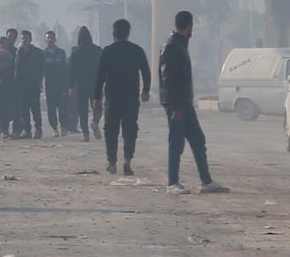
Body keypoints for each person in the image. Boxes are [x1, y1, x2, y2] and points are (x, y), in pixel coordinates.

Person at [159, 10, 227, 194]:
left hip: (186, 103)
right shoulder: (172, 47)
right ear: (189, 26)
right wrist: (175, 107)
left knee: (198, 140)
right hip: (177, 105)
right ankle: (172, 182)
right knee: (176, 143)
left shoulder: (180, 45)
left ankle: (206, 181)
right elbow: (168, 79)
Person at [94, 17, 151, 176]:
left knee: (111, 130)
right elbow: (146, 71)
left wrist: (96, 97)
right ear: (128, 33)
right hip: (131, 97)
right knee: (130, 129)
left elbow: (100, 76)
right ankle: (127, 161)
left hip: (112, 97)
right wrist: (145, 90)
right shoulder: (137, 50)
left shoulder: (107, 51)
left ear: (114, 33)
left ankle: (112, 163)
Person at [66, 26, 102, 141]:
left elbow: (71, 70)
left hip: (81, 84)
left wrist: (71, 86)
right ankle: (95, 121)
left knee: (82, 110)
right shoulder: (97, 50)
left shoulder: (75, 51)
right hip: (96, 83)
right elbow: (103, 67)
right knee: (97, 105)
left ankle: (85, 134)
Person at [41, 30, 70, 135]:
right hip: (49, 84)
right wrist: (40, 82)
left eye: (52, 37)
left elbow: (65, 69)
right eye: (48, 38)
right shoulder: (43, 53)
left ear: (55, 39)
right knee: (51, 108)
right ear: (45, 40)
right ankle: (54, 128)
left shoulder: (61, 52)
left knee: (62, 107)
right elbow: (41, 70)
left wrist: (67, 84)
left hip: (61, 84)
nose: (50, 39)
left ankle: (64, 126)